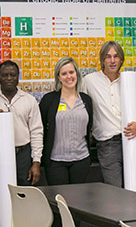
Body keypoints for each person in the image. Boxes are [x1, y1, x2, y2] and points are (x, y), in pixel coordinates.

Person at [0, 60, 44, 227]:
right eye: (4, 75)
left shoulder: (29, 100)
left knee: (23, 197)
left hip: (22, 154)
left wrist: (36, 162)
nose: (8, 78)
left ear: (18, 77)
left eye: (12, 75)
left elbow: (37, 132)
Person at [82, 41, 136, 187]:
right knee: (115, 190)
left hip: (132, 140)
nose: (112, 61)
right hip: (107, 145)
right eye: (108, 57)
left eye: (116, 56)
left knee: (135, 187)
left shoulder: (129, 81)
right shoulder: (89, 81)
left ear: (121, 59)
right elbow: (81, 108)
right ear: (102, 60)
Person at [39, 57, 93, 185]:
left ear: (77, 74)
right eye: (64, 73)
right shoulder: (49, 100)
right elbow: (40, 129)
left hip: (81, 159)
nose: (69, 77)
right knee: (60, 200)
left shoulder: (86, 100)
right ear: (58, 77)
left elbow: (90, 127)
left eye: (71, 72)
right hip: (55, 162)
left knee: (78, 201)